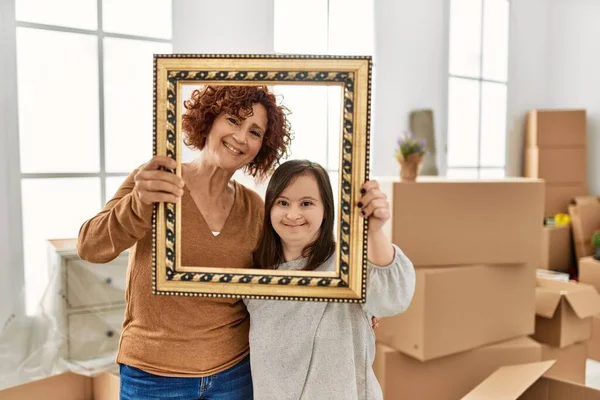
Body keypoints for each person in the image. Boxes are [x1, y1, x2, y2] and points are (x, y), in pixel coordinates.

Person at [77, 85, 292, 399]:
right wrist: (138, 201)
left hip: (234, 374)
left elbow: (283, 278)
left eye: (255, 132)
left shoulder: (255, 208)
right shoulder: (157, 180)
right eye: (233, 120)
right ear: (209, 120)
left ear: (262, 146)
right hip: (154, 375)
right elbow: (90, 246)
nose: (241, 137)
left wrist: (347, 302)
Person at [245, 159, 416, 400]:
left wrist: (375, 231)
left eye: (306, 203)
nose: (293, 214)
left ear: (326, 210)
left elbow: (392, 298)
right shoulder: (252, 277)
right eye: (283, 202)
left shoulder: (347, 265)